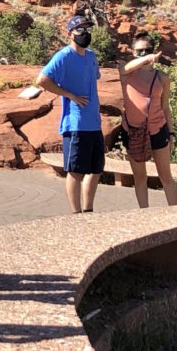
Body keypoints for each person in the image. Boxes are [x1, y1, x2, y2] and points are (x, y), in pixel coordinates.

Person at [36, 14, 105, 214]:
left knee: (96, 169)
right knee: (75, 171)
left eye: (88, 29)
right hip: (75, 124)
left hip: (94, 122)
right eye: (80, 30)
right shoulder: (63, 56)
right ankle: (75, 214)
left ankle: (88, 210)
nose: (85, 33)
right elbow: (42, 80)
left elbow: (95, 78)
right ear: (70, 33)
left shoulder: (91, 57)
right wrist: (69, 95)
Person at [117, 32, 177, 207]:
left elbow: (166, 107)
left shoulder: (162, 78)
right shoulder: (126, 72)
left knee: (165, 176)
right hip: (134, 131)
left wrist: (171, 133)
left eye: (148, 50)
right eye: (140, 51)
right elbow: (125, 69)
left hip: (158, 129)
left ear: (153, 50)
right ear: (133, 52)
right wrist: (148, 58)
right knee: (140, 177)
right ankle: (145, 215)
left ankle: (176, 218)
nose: (144, 54)